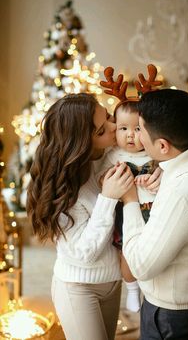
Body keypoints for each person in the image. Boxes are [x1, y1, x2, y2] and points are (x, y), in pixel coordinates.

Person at [111, 88, 188, 340]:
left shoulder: (182, 193)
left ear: (163, 146)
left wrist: (129, 200)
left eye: (141, 129)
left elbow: (140, 265)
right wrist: (163, 173)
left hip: (171, 313)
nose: (137, 137)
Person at [26, 93, 134, 340]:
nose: (114, 126)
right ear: (81, 142)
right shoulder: (63, 187)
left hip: (113, 282)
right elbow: (84, 253)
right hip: (78, 288)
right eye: (101, 130)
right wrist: (107, 198)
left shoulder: (111, 153)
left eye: (107, 116)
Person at [97, 99, 161, 312]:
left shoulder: (154, 155)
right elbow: (101, 180)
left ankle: (151, 289)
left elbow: (166, 178)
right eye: (123, 128)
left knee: (154, 251)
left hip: (153, 210)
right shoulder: (112, 155)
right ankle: (132, 289)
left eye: (137, 129)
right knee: (128, 252)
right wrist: (112, 176)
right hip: (126, 213)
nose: (130, 135)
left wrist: (153, 180)